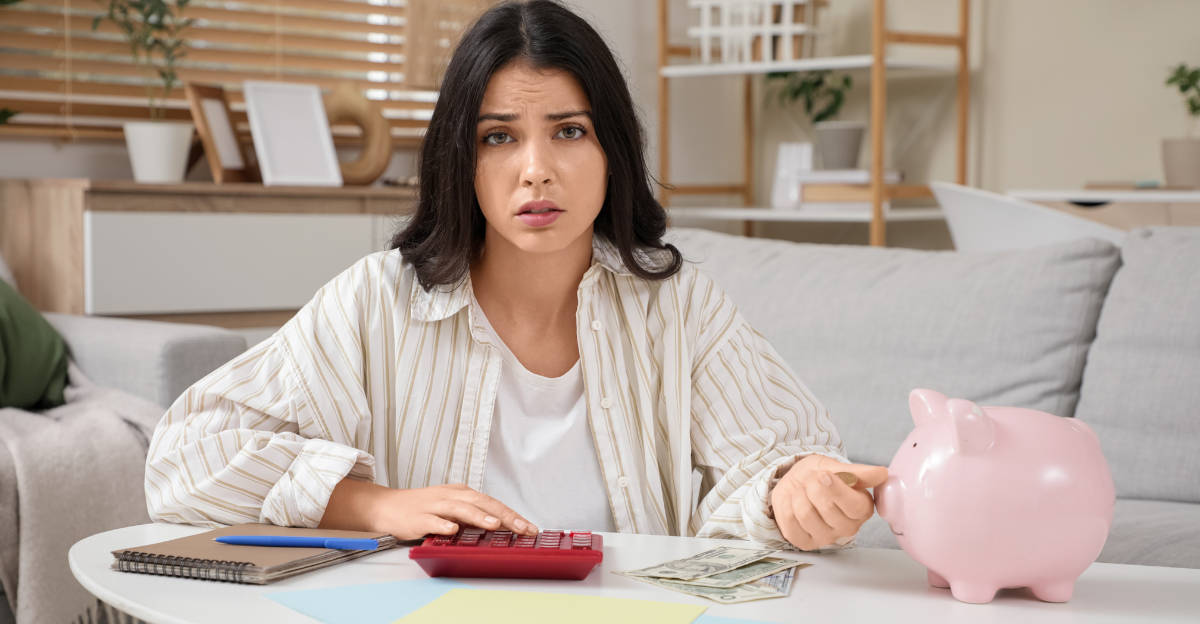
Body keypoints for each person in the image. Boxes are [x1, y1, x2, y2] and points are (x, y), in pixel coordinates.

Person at [144, 0, 887, 552]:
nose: (537, 170)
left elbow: (781, 458)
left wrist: (798, 493)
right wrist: (369, 504)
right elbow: (181, 461)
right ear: (459, 162)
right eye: (499, 137)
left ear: (611, 153)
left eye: (569, 131)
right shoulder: (376, 302)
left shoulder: (679, 306)